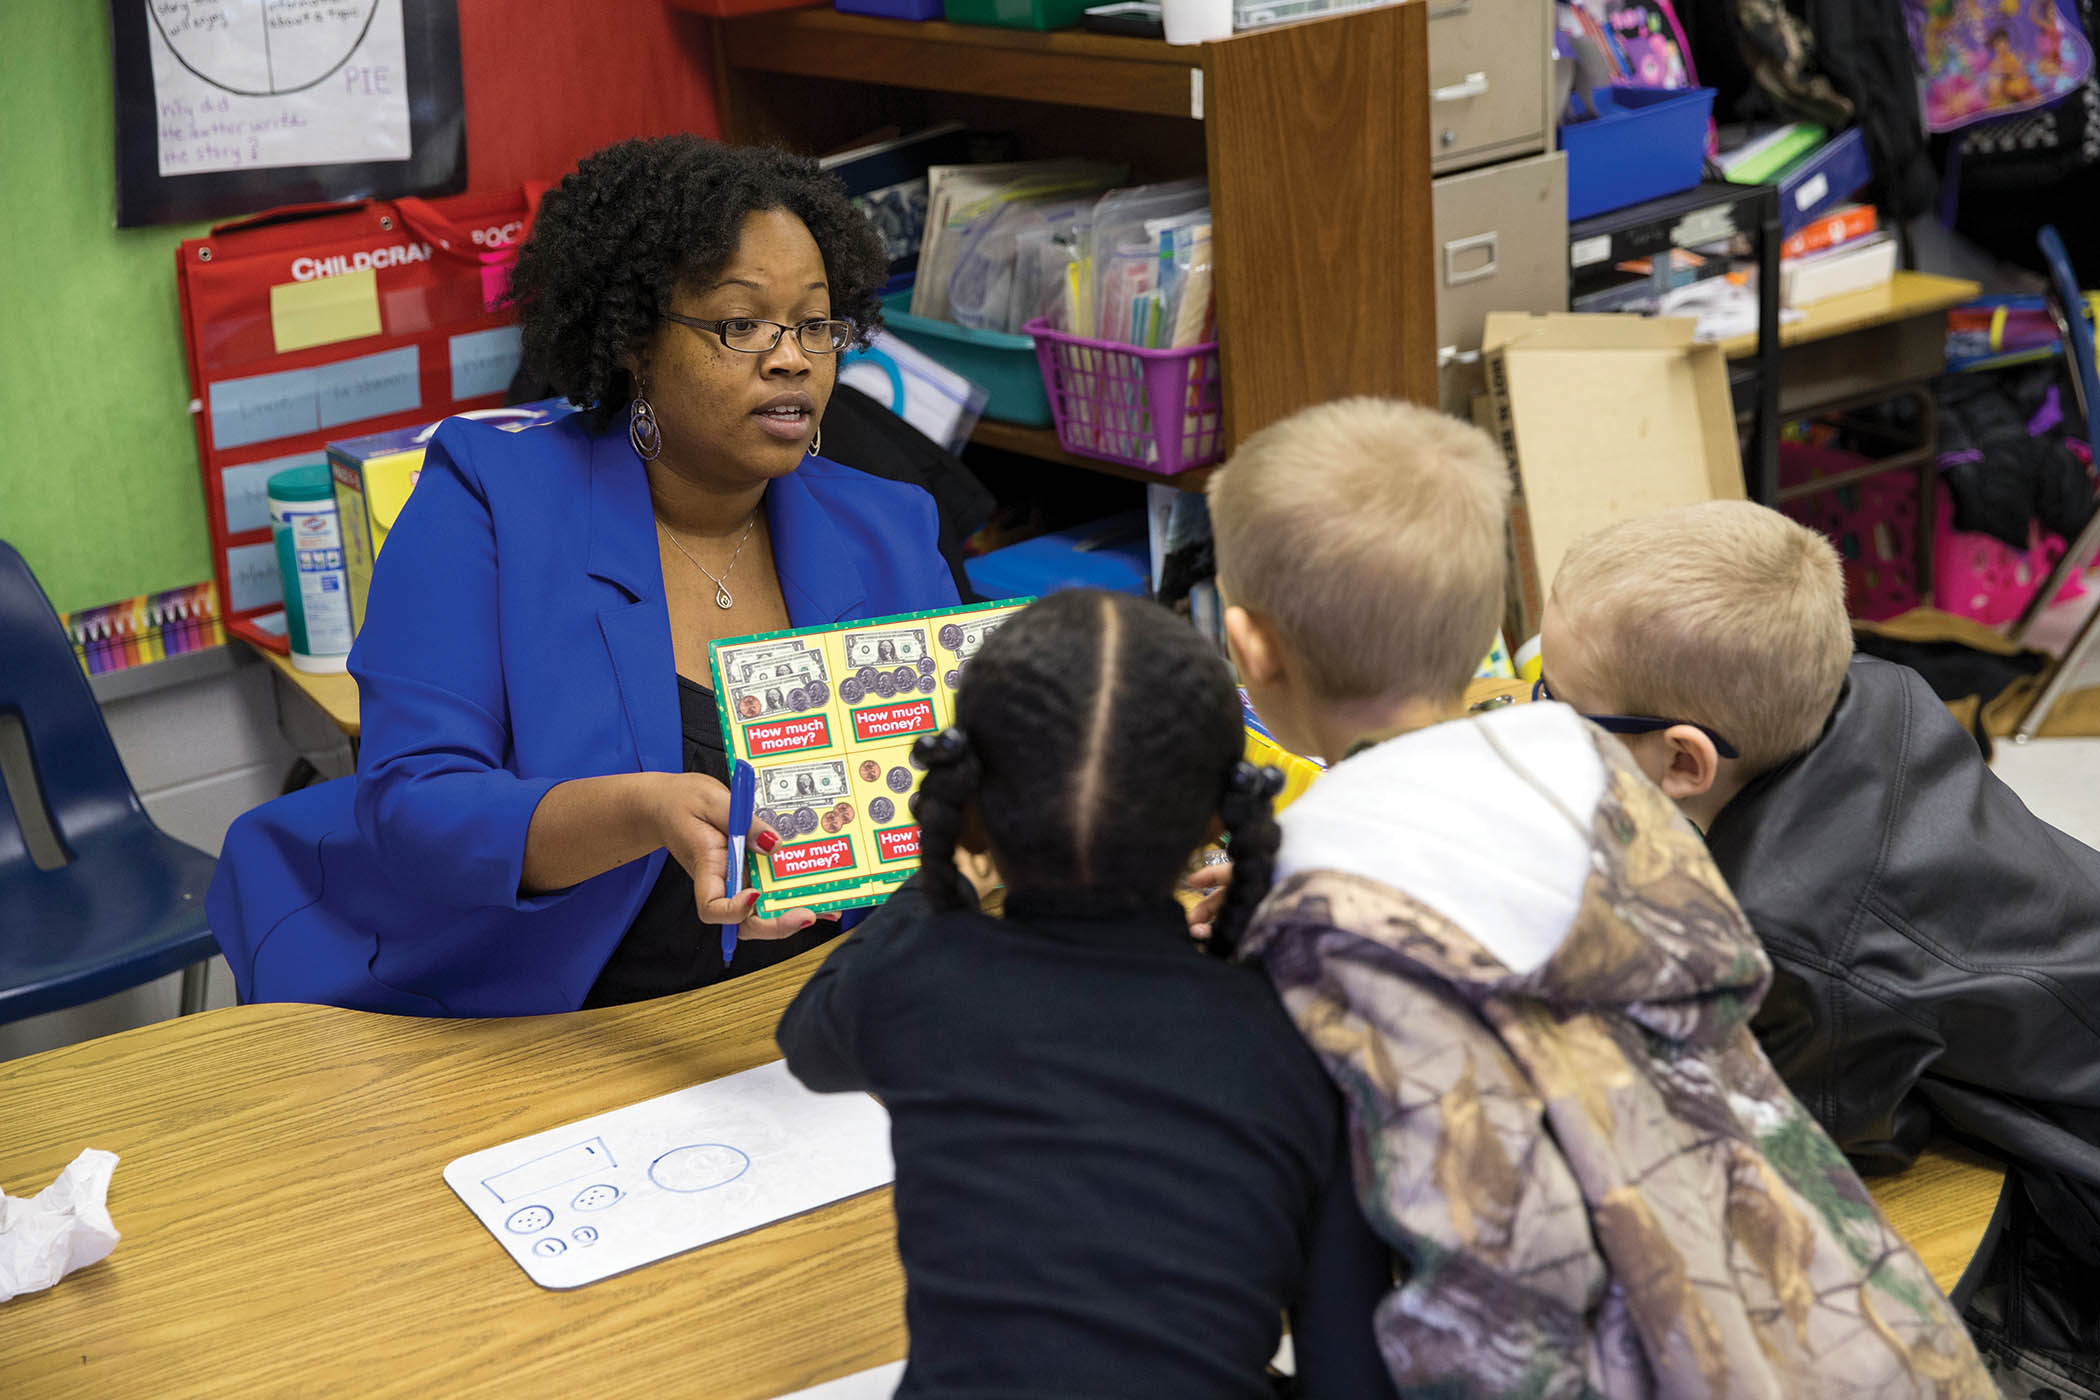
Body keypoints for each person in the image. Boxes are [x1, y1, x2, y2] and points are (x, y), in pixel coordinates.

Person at [1202, 399, 1989, 1396]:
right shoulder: (1614, 784)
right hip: (1830, 1318)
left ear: (1249, 645)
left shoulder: (1319, 914)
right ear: (1489, 626)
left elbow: (1416, 1265)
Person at [207, 136, 962, 1017]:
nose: (791, 357)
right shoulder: (489, 501)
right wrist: (639, 813)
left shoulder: (886, 525)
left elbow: (936, 790)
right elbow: (415, 811)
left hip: (787, 1012)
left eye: (814, 324)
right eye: (741, 325)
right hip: (524, 1014)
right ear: (637, 341)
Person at [777, 590, 1396, 1400]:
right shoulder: (1302, 1034)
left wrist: (933, 880)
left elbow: (809, 1043)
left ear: (969, 810)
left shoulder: (917, 980)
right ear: (1220, 813)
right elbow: (1352, 1373)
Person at [1543, 499, 2100, 1393]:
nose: (1537, 724)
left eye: (1560, 708)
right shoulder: (1870, 691)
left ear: (1685, 764)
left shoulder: (1794, 944)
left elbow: (1847, 1134)